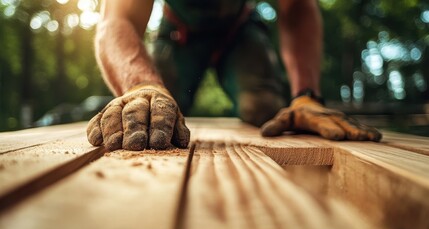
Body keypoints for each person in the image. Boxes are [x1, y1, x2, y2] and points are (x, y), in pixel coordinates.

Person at [86, 0, 382, 151]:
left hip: (240, 31)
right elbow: (117, 19)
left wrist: (306, 96)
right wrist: (140, 84)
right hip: (179, 33)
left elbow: (297, 7)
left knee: (266, 109)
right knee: (150, 113)